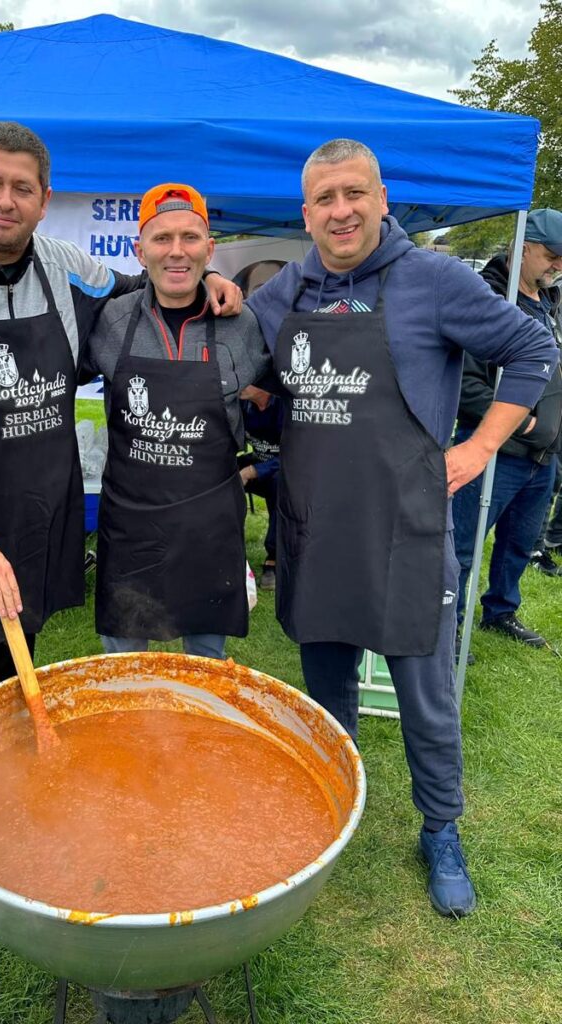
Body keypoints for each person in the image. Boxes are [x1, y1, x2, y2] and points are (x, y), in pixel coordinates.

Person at [0, 126, 241, 937]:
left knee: (11, 674)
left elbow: (152, 284)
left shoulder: (69, 270)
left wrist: (215, 280)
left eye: (23, 188)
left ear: (44, 200)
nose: (6, 201)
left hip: (34, 520)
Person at [246, 138, 558, 918]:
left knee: (426, 699)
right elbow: (238, 351)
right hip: (315, 529)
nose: (340, 211)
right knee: (326, 691)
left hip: (407, 532)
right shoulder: (287, 289)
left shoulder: (433, 278)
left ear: (382, 199)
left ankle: (441, 828)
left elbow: (531, 347)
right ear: (306, 213)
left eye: (354, 193)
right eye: (325, 199)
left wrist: (482, 446)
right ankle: (332, 799)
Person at [87, 184, 269, 658]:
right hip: (131, 526)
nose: (176, 251)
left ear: (209, 249)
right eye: (162, 238)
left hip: (209, 528)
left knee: (205, 671)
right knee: (126, 670)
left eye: (190, 238)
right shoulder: (109, 321)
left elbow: (277, 394)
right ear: (139, 250)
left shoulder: (242, 325)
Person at [453, 208, 562, 646]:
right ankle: (449, 624)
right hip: (493, 449)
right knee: (461, 545)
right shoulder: (486, 300)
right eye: (552, 255)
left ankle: (500, 611)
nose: (558, 265)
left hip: (543, 455)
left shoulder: (550, 302)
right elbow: (465, 384)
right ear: (522, 247)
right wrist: (525, 422)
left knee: (519, 542)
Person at [237, 385, 283, 589]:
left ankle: (274, 558)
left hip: (284, 469)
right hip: (257, 460)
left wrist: (250, 471)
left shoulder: (285, 406)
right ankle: (222, 546)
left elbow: (294, 454)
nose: (240, 384)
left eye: (247, 379)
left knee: (279, 483)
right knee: (221, 471)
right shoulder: (242, 405)